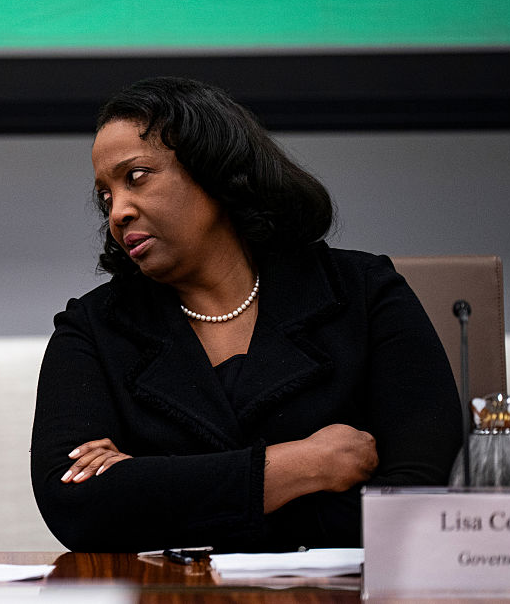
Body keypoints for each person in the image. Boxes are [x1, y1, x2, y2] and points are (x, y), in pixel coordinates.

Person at [30, 77, 462, 552]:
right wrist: (301, 466)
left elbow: (417, 496)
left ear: (213, 169)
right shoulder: (94, 328)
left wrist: (159, 495)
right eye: (106, 196)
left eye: (136, 177)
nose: (118, 213)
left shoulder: (363, 291)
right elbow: (74, 505)